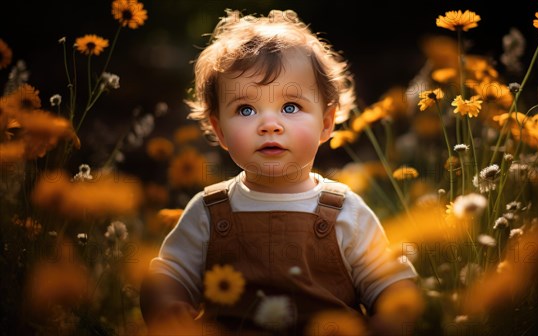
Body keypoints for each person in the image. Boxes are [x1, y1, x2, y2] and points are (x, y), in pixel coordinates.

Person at [140, 8, 419, 335]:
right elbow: (167, 277)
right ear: (220, 131)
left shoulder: (346, 211)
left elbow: (394, 286)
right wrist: (167, 308)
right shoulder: (208, 211)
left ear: (326, 123)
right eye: (246, 109)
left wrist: (390, 318)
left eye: (290, 107)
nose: (270, 125)